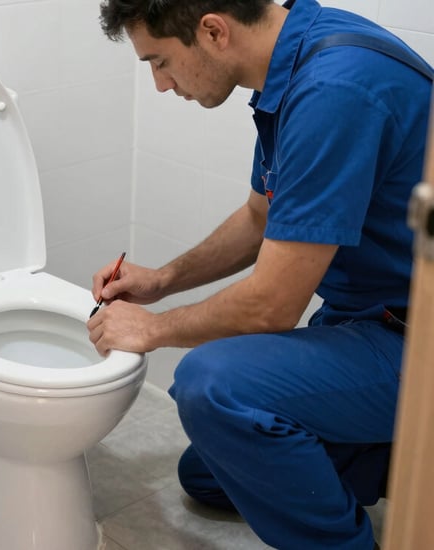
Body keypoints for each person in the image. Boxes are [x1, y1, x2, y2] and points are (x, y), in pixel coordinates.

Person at [88, 0, 433, 548]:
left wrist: (153, 328)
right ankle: (394, 453)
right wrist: (162, 280)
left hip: (416, 337)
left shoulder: (332, 91)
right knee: (206, 475)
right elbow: (260, 216)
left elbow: (272, 306)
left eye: (160, 61)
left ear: (213, 31)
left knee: (212, 387)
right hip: (370, 316)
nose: (159, 84)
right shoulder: (294, 61)